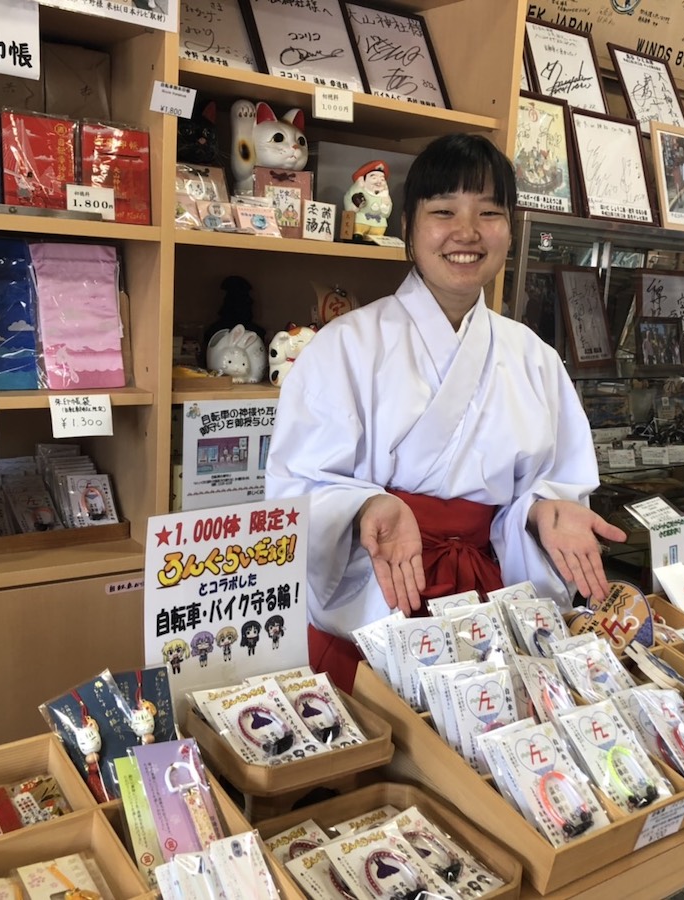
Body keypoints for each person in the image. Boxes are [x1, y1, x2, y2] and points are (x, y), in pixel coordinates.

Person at [266, 133, 626, 691]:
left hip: (492, 603)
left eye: (489, 212)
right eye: (443, 212)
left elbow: (555, 481)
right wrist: (368, 507)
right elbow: (295, 489)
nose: (467, 232)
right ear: (407, 226)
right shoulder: (344, 346)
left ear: (509, 228)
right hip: (377, 594)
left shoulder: (534, 357)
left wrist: (541, 512)